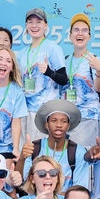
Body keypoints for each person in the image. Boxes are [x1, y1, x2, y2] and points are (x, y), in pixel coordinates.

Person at [16, 99, 100, 191]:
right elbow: (21, 182)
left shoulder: (78, 151)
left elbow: (79, 190)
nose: (59, 125)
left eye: (64, 121)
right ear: (46, 124)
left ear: (68, 125)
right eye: (54, 121)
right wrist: (22, 158)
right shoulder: (35, 148)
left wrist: (52, 198)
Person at [17, 8, 68, 141]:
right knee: (26, 152)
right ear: (26, 26)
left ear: (46, 25)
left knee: (42, 155)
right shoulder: (22, 53)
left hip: (45, 113)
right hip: (24, 112)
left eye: (38, 22)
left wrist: (49, 72)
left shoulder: (53, 48)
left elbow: (64, 80)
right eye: (30, 22)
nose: (34, 26)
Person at [64, 13, 100, 148]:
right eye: (76, 30)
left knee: (85, 160)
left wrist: (99, 71)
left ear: (89, 36)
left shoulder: (94, 59)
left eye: (84, 30)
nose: (80, 33)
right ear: (70, 35)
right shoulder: (65, 60)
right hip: (67, 120)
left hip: (88, 118)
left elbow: (99, 88)